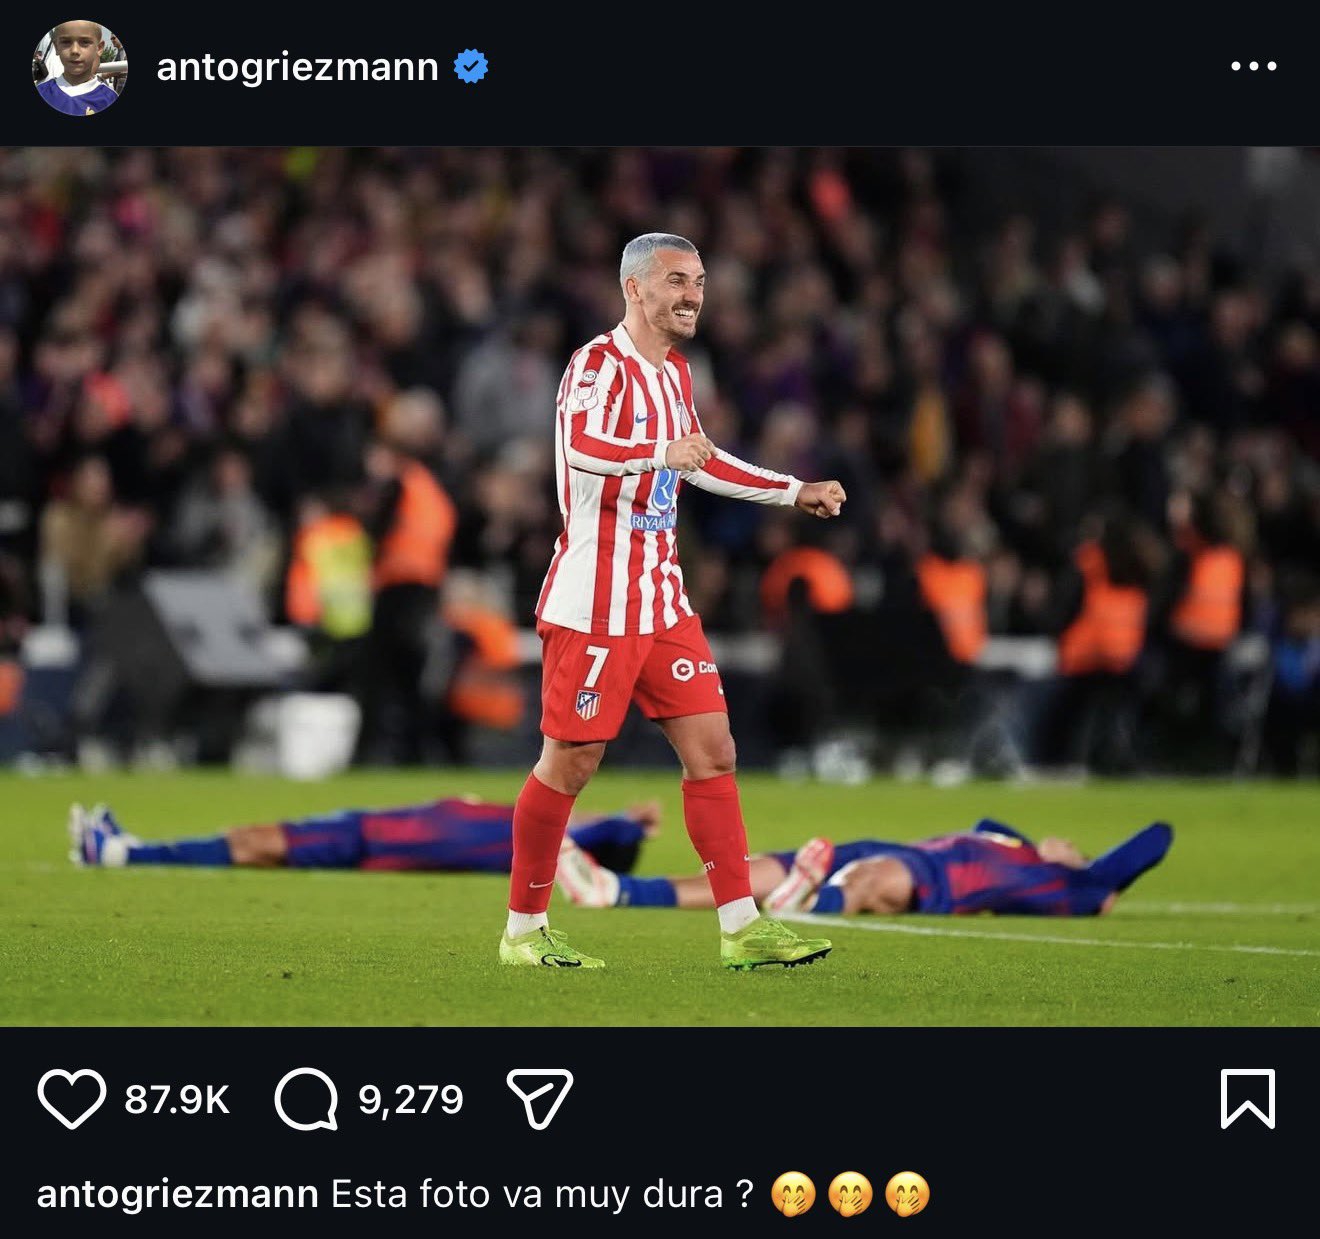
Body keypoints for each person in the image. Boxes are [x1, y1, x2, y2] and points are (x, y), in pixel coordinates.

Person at [502, 232, 847, 971]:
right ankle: (524, 931)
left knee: (714, 750)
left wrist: (794, 490)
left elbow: (702, 460)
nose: (693, 295)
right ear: (635, 289)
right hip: (596, 602)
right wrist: (659, 453)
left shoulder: (677, 374)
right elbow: (581, 444)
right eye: (677, 281)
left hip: (660, 598)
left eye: (699, 281)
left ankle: (741, 927)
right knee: (570, 762)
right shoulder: (596, 364)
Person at [556, 818, 1173, 919]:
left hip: (933, 883)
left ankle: (810, 903)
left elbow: (1156, 837)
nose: (1067, 842)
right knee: (752, 871)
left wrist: (1086, 869)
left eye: (1076, 847)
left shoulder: (1068, 884)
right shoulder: (1010, 842)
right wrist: (1034, 842)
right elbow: (992, 820)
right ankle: (616, 889)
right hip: (903, 848)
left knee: (870, 881)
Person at [69, 798, 658, 876]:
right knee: (252, 839)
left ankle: (119, 853)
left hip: (370, 839)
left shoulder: (548, 841)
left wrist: (630, 825)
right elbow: (593, 822)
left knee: (253, 842)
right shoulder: (539, 828)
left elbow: (601, 829)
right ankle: (126, 848)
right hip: (374, 829)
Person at [35, 22, 120, 115]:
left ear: (99, 48)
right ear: (56, 47)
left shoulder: (110, 98)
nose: (75, 50)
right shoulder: (42, 92)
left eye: (85, 42)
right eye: (66, 42)